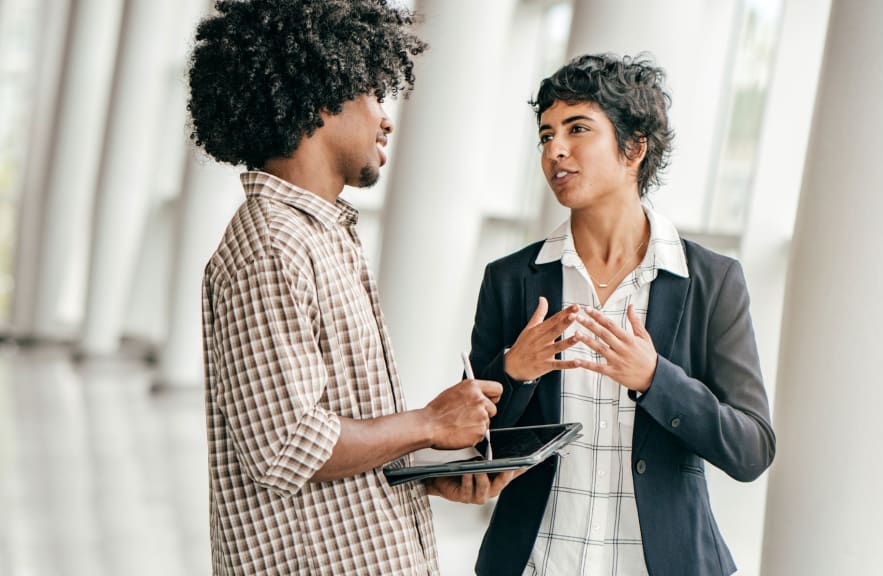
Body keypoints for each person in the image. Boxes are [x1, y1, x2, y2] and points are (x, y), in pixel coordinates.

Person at [189, 1, 514, 574]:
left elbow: (334, 436)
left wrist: (422, 473)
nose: (386, 119)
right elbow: (288, 446)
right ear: (320, 96)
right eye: (373, 94)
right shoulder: (272, 247)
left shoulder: (320, 235)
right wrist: (430, 423)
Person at [466, 53, 776, 576]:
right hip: (536, 563)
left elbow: (751, 449)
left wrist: (656, 379)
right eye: (546, 136)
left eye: (577, 129)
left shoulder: (711, 281)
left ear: (634, 148)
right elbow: (471, 445)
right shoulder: (510, 279)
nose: (554, 150)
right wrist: (514, 371)